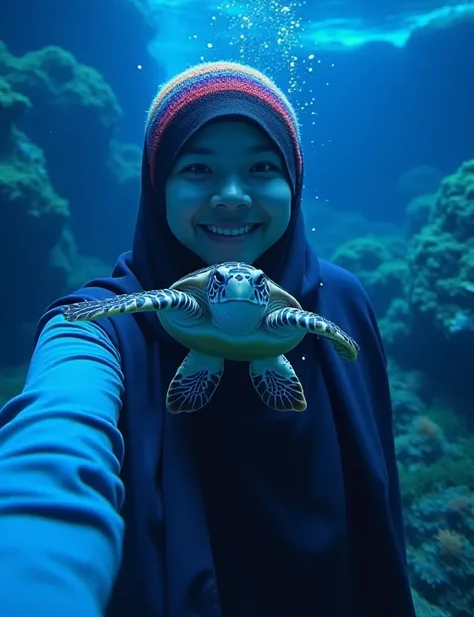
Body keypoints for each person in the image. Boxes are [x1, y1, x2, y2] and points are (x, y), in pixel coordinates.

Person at [0, 61, 416, 617]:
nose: (232, 196)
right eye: (197, 168)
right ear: (156, 185)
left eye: (262, 166)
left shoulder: (338, 300)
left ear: (294, 179)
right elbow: (57, 432)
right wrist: (39, 567)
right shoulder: (103, 321)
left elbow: (379, 502)